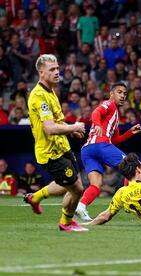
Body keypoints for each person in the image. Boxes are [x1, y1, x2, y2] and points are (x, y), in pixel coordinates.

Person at [24, 54, 88, 232]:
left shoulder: (50, 91)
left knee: (70, 185)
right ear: (41, 73)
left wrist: (71, 129)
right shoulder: (39, 96)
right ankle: (65, 222)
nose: (57, 72)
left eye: (58, 68)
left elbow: (57, 122)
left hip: (62, 147)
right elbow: (50, 128)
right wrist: (74, 126)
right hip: (50, 152)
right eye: (52, 69)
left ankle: (35, 198)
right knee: (76, 189)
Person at [75, 82, 141, 221]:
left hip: (87, 151)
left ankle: (81, 207)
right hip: (100, 145)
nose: (123, 95)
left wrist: (129, 132)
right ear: (111, 94)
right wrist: (98, 125)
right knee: (133, 166)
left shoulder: (115, 116)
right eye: (119, 92)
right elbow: (96, 112)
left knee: (96, 184)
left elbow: (115, 140)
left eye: (124, 93)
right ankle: (128, 201)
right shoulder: (109, 104)